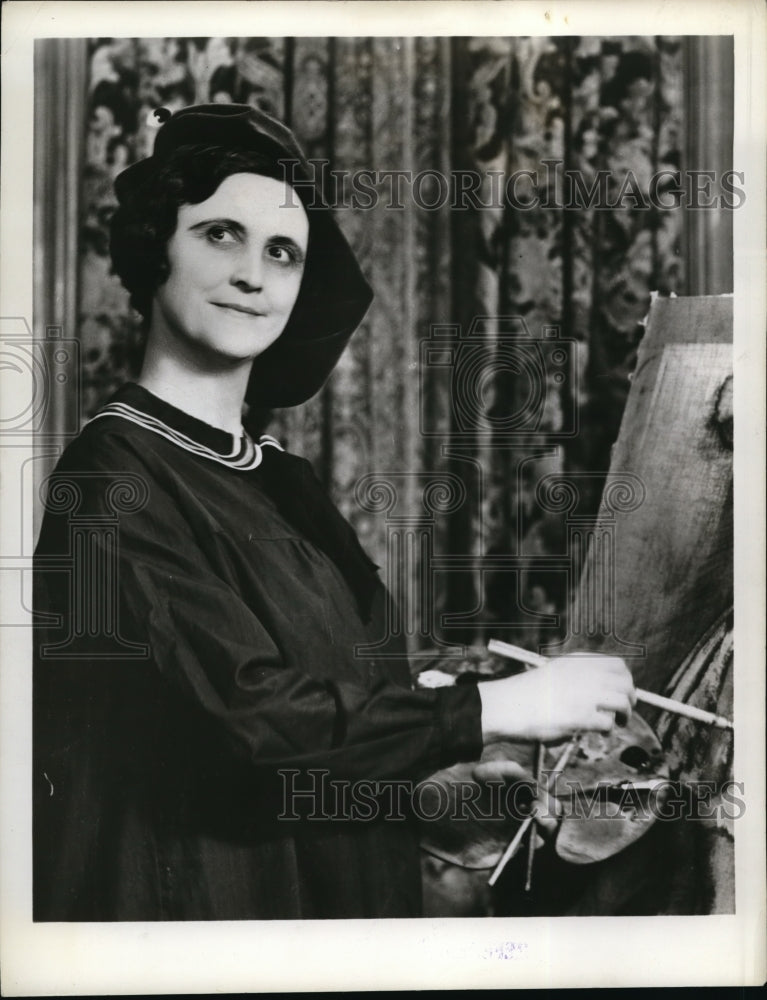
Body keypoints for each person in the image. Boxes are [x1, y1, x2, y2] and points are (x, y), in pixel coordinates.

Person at [33, 103, 636, 921]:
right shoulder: (113, 476)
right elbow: (251, 721)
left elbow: (347, 683)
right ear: (154, 251)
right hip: (188, 910)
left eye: (281, 252)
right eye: (219, 234)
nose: (253, 273)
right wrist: (502, 707)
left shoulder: (279, 476)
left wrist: (438, 772)